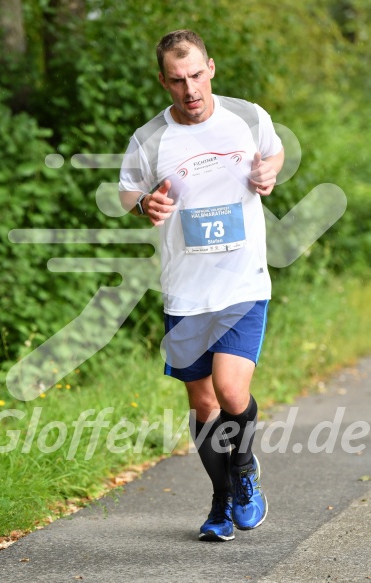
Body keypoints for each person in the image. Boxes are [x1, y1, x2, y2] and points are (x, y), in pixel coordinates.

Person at [119, 29, 284, 542]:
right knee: (204, 406)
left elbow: (273, 154)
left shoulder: (248, 117)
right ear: (163, 81)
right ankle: (221, 500)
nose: (190, 89)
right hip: (186, 290)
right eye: (177, 80)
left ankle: (244, 472)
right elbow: (127, 192)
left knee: (231, 391)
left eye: (195, 75)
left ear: (210, 67)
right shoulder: (150, 139)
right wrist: (145, 205)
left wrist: (268, 175)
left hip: (242, 280)